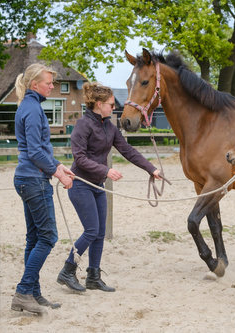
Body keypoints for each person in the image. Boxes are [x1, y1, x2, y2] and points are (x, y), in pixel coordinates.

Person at [57, 82, 162, 293]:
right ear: (99, 104)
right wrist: (105, 171)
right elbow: (79, 158)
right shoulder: (82, 125)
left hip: (97, 186)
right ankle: (68, 270)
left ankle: (93, 276)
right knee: (91, 230)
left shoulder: (109, 126)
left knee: (100, 232)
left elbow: (127, 150)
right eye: (111, 104)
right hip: (81, 184)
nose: (114, 108)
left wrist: (151, 169)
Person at [12, 63, 74, 314]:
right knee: (48, 237)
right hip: (35, 181)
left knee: (34, 238)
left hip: (27, 178)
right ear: (34, 84)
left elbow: (35, 148)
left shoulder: (27, 106)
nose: (52, 86)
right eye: (48, 82)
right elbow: (36, 151)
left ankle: (33, 294)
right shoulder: (33, 109)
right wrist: (57, 172)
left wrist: (59, 165)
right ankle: (24, 292)